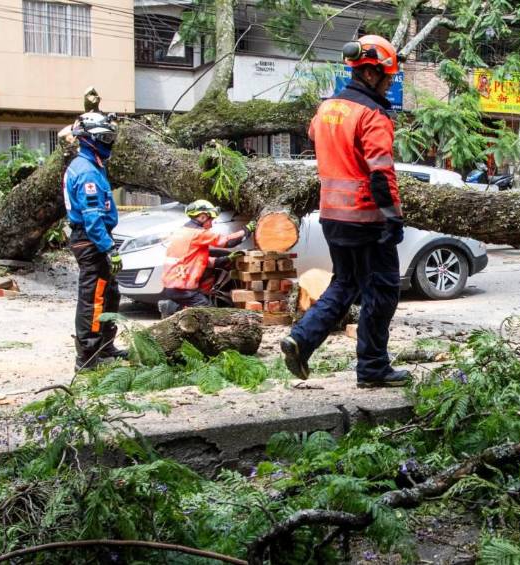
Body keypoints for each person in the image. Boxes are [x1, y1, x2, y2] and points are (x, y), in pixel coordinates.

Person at [280, 34, 409, 388]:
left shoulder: (326, 109)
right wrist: (393, 217)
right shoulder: (372, 115)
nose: (388, 83)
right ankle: (372, 368)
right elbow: (381, 173)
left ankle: (301, 340)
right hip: (367, 218)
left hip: (332, 216)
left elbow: (319, 142)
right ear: (372, 73)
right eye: (387, 77)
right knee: (381, 291)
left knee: (345, 283)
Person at [64, 111, 126, 371]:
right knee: (94, 297)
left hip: (97, 239)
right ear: (89, 139)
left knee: (110, 293)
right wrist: (108, 247)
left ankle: (105, 346)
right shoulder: (87, 172)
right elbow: (92, 219)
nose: (109, 142)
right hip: (91, 240)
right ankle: (87, 357)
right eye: (105, 137)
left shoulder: (95, 165)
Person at [160, 200, 253, 312]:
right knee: (209, 312)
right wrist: (247, 229)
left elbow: (197, 261)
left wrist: (226, 259)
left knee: (191, 310)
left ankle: (172, 312)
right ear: (203, 217)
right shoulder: (198, 233)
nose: (211, 224)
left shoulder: (182, 231)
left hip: (171, 286)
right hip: (182, 288)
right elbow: (228, 242)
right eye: (211, 219)